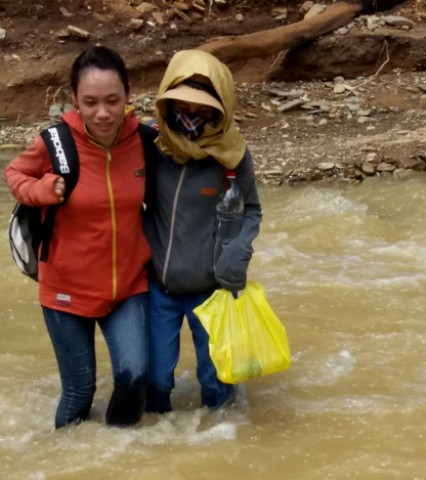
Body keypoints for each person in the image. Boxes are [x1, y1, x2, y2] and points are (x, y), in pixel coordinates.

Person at [4, 46, 152, 429]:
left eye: (112, 101)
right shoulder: (55, 142)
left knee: (134, 378)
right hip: (65, 289)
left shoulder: (145, 142)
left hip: (128, 285)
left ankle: (119, 459)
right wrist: (43, 190)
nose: (102, 113)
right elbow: (16, 175)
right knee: (79, 392)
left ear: (128, 95)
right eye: (90, 102)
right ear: (74, 99)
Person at [143, 49, 262, 412]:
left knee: (214, 380)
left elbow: (251, 209)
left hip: (210, 290)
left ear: (220, 107)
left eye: (202, 109)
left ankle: (222, 440)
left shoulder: (233, 156)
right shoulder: (153, 147)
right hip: (157, 287)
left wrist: (237, 255)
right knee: (159, 379)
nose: (191, 116)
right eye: (182, 106)